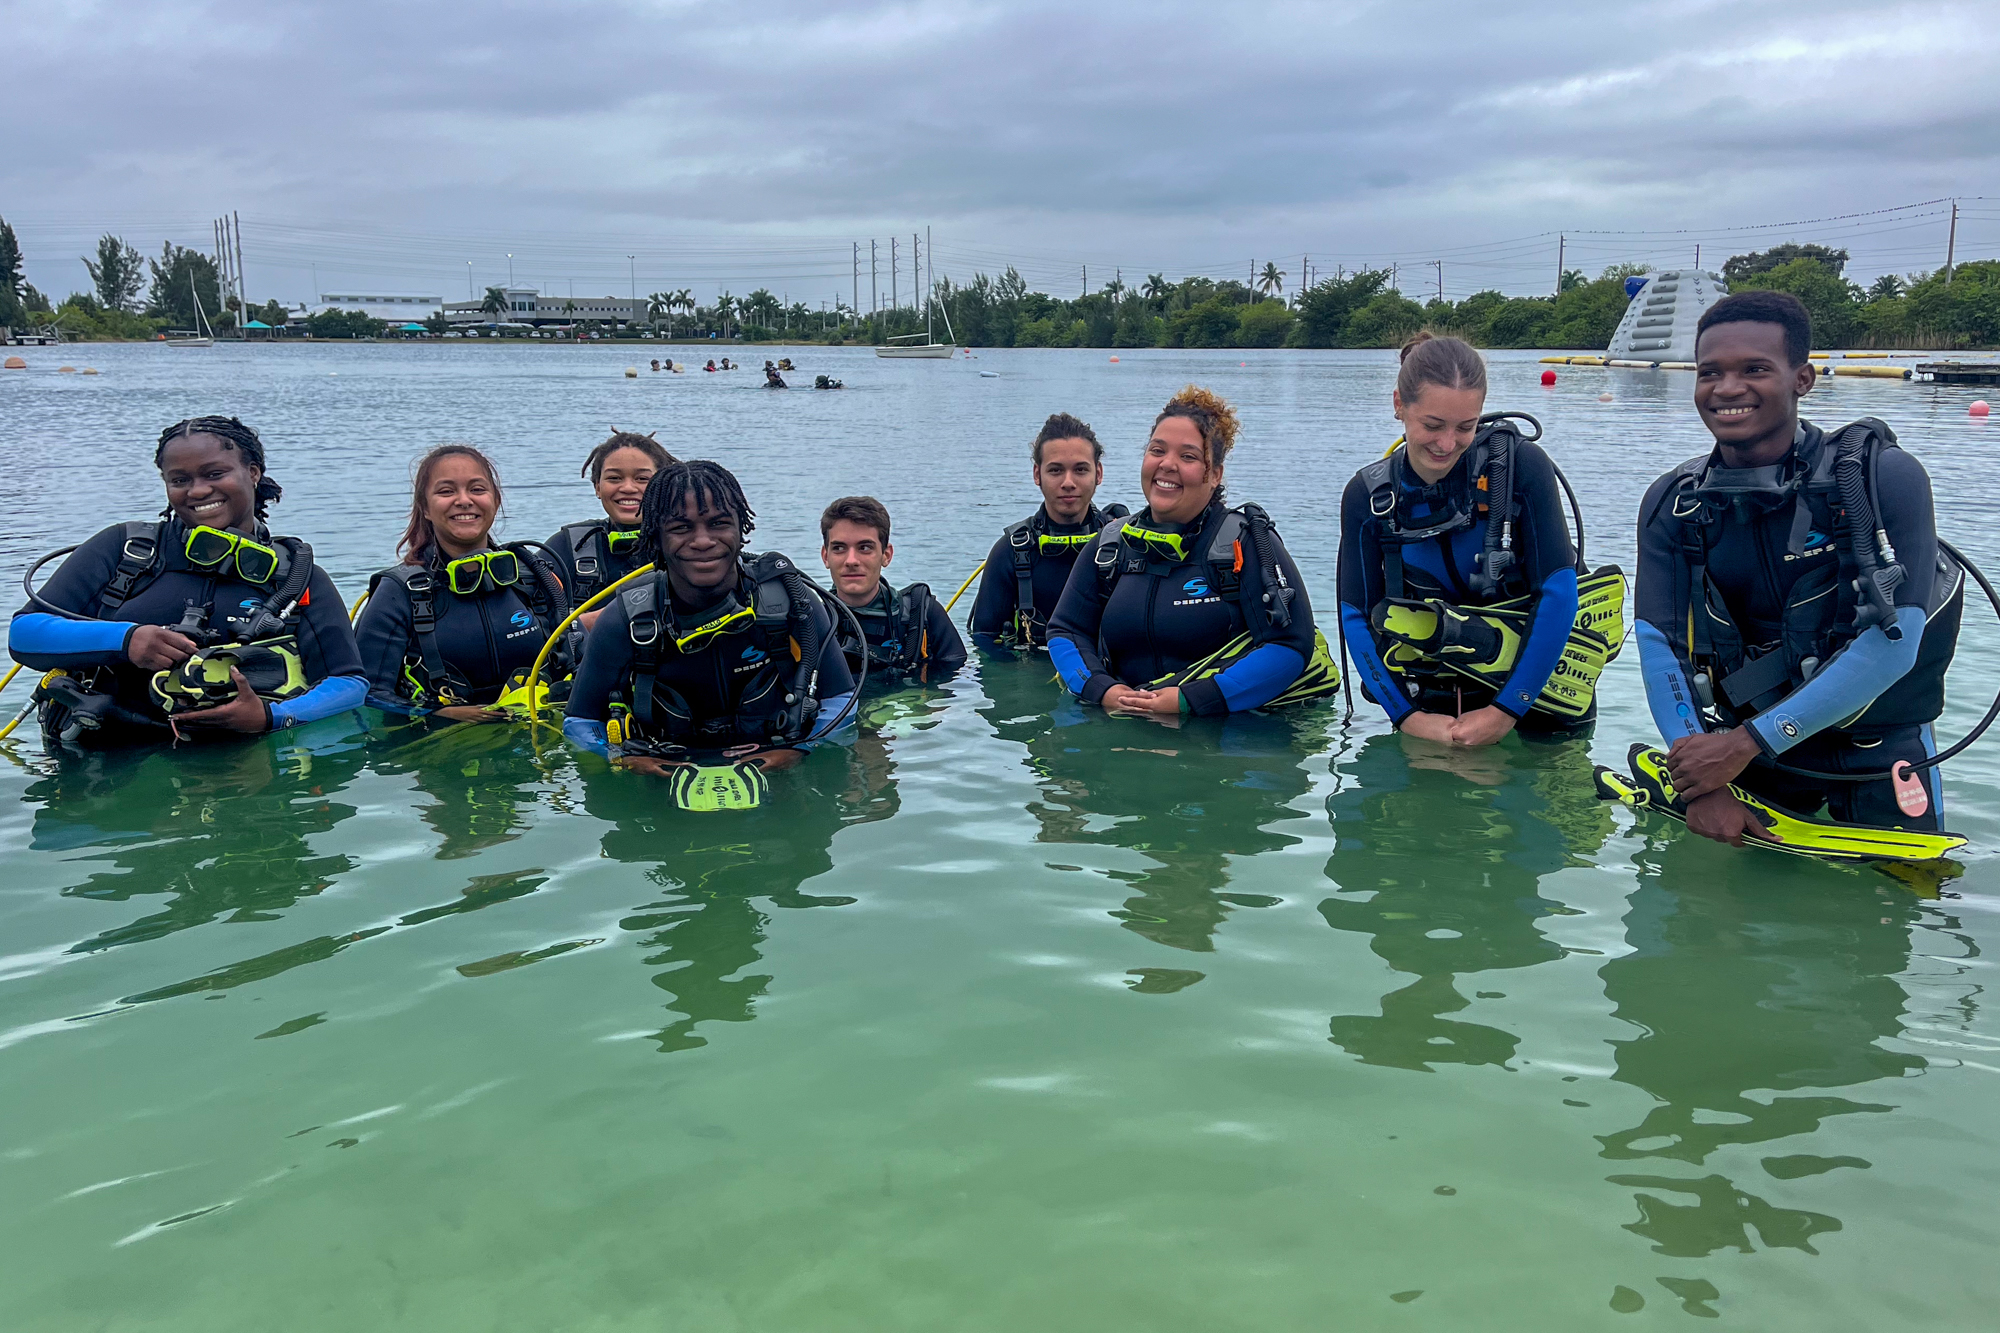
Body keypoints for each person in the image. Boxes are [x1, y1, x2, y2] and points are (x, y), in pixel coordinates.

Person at [1635, 290, 1961, 844]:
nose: (1727, 388)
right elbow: (1656, 642)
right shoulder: (1675, 502)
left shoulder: (1884, 480)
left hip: (1875, 753)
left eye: (1755, 369)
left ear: (1802, 379)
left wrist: (1743, 747)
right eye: (1709, 372)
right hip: (1737, 763)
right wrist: (1703, 781)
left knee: (1903, 909)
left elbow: (1896, 641)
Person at [9, 415, 366, 748]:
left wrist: (271, 717)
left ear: (253, 472)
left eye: (214, 474)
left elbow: (349, 683)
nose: (197, 491)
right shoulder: (127, 550)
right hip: (108, 757)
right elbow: (25, 633)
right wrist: (127, 640)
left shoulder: (294, 575)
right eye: (179, 480)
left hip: (242, 765)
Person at [1338, 333, 1602, 746]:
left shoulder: (1520, 469)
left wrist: (1506, 711)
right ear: (1398, 406)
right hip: (1427, 713)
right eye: (1432, 425)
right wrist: (1406, 718)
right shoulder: (1368, 497)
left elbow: (1559, 593)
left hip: (1541, 705)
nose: (1447, 444)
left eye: (1466, 427)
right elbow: (1354, 613)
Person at [1048, 386, 1331, 716]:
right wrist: (1103, 689)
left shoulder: (1244, 544)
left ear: (1214, 475)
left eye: (1188, 456)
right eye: (1157, 450)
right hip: (1124, 726)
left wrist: (1191, 700)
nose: (1167, 464)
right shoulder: (1110, 545)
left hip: (1229, 739)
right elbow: (1066, 631)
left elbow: (1290, 645)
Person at [563, 460, 855, 774]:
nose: (703, 541)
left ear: (740, 528)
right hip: (663, 783)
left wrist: (802, 748)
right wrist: (622, 758)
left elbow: (842, 701)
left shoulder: (793, 604)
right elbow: (581, 722)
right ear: (656, 536)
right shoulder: (626, 619)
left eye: (718, 523)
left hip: (781, 771)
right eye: (680, 527)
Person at [356, 444, 570, 724]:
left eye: (477, 489)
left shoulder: (532, 578)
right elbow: (367, 693)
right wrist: (438, 713)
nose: (464, 500)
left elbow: (578, 662)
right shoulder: (400, 592)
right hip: (436, 746)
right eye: (446, 491)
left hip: (536, 739)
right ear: (426, 508)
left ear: (495, 499)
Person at [969, 412, 1128, 650]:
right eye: (1055, 470)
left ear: (1099, 473)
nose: (1068, 482)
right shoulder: (1009, 552)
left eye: (1080, 470)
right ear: (1037, 474)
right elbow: (984, 643)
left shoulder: (1125, 545)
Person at [820, 495, 966, 683]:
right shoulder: (810, 622)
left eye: (864, 547)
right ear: (825, 556)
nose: (851, 561)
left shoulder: (922, 614)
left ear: (886, 555)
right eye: (839, 548)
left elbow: (960, 684)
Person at [544, 430, 677, 623]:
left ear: (662, 486)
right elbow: (531, 624)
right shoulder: (568, 547)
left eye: (642, 479)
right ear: (597, 487)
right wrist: (606, 619)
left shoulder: (685, 544)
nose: (628, 488)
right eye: (614, 478)